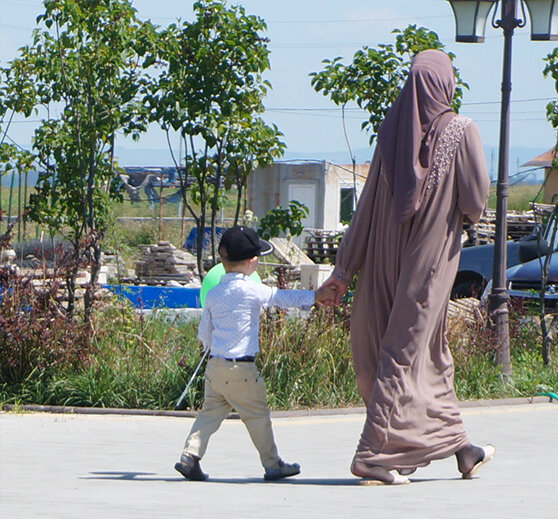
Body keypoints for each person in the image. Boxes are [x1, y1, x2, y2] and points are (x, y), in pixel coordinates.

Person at [318, 50, 494, 485]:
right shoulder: (462, 130)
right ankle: (372, 455)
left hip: (381, 261)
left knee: (428, 353)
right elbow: (475, 203)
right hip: (427, 262)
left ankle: (461, 448)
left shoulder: (392, 132)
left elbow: (364, 211)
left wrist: (343, 270)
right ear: (445, 85)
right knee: (402, 352)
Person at [175, 225, 325, 481]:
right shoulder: (252, 289)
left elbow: (204, 334)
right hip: (242, 368)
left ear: (222, 260)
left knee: (210, 412)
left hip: (215, 366)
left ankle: (190, 455)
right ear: (253, 261)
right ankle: (273, 463)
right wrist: (316, 296)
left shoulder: (212, 294)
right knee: (257, 416)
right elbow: (282, 298)